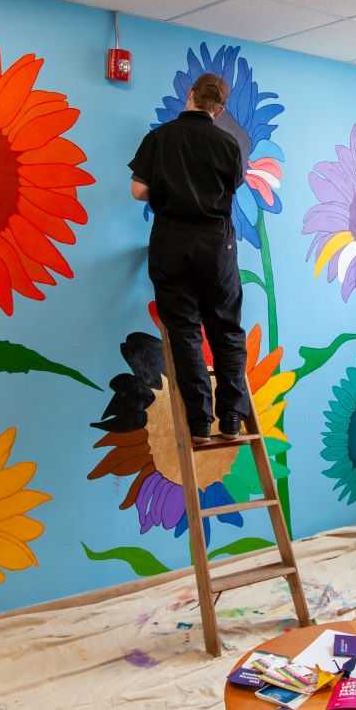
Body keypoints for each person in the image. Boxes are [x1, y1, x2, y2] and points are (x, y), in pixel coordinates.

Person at [129, 73, 249, 446]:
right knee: (226, 331)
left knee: (184, 333)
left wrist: (169, 189)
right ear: (220, 107)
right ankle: (230, 418)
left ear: (191, 95)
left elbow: (138, 190)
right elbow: (231, 186)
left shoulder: (160, 139)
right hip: (216, 248)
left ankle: (199, 422)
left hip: (173, 244)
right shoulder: (229, 145)